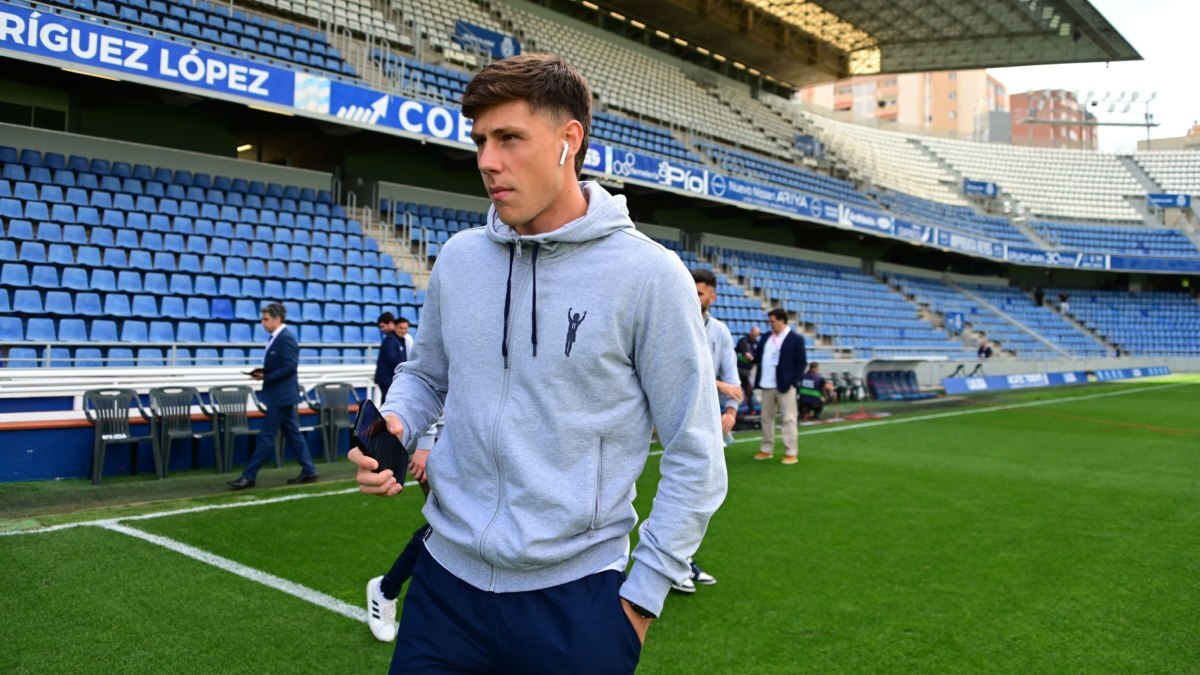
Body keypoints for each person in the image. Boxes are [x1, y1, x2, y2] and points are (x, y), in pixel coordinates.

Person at [350, 54, 727, 673]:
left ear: (567, 141)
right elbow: (425, 375)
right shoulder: (459, 257)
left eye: (509, 139)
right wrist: (398, 422)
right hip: (444, 587)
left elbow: (696, 451)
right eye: (479, 141)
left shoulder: (649, 275)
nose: (487, 161)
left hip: (578, 603)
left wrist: (639, 602)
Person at [669, 268, 738, 595]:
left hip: (707, 424)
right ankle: (669, 564)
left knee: (701, 497)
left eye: (700, 293)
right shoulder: (673, 324)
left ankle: (684, 560)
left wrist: (730, 410)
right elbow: (679, 375)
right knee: (677, 493)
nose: (695, 298)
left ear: (712, 296)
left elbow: (733, 379)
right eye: (691, 292)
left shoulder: (720, 332)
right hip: (671, 422)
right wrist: (719, 386)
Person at [227, 303, 319, 489]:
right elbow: (284, 366)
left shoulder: (285, 339)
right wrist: (265, 372)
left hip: (281, 396)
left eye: (266, 319)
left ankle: (249, 476)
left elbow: (290, 367)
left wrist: (266, 375)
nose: (263, 322)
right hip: (282, 395)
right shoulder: (278, 338)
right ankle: (309, 469)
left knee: (267, 436)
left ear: (277, 319)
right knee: (293, 434)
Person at [365, 418, 441, 642]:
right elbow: (435, 384)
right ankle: (385, 589)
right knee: (442, 527)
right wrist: (426, 443)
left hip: (481, 451)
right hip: (441, 444)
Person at [753, 308, 807, 465]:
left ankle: (791, 452)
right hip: (766, 384)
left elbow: (801, 363)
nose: (771, 325)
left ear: (782, 320)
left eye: (773, 321)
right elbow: (758, 357)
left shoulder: (796, 339)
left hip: (785, 385)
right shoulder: (765, 338)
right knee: (766, 418)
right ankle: (766, 449)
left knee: (788, 419)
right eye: (769, 322)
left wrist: (793, 382)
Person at [374, 312, 405, 400]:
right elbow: (394, 360)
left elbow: (394, 360)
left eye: (383, 326)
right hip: (388, 380)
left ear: (391, 323)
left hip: (388, 380)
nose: (381, 329)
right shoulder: (392, 340)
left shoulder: (391, 340)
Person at [736, 326, 761, 414]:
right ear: (751, 332)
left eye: (756, 335)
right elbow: (746, 353)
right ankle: (736, 410)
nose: (754, 336)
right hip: (738, 370)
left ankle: (751, 410)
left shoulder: (756, 343)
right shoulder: (743, 340)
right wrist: (748, 355)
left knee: (748, 391)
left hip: (748, 371)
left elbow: (755, 356)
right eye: (754, 334)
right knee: (737, 390)